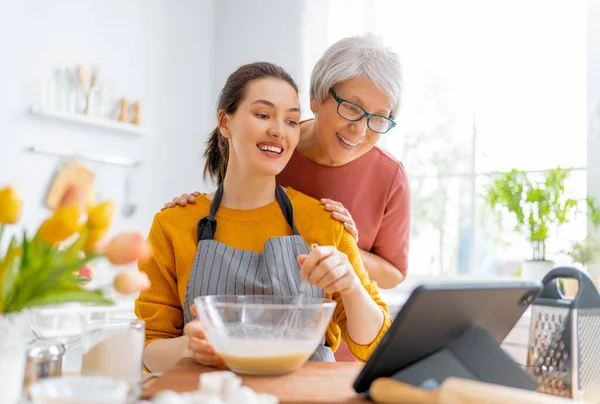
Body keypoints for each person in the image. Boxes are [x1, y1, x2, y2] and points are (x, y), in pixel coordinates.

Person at [135, 62, 392, 373]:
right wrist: (187, 347)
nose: (278, 130)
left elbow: (375, 345)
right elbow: (148, 348)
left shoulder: (326, 223)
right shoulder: (173, 224)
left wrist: (350, 285)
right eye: (262, 115)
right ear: (225, 123)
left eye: (292, 121)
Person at [163, 34, 410, 291]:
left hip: (336, 313)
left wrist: (340, 245)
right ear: (316, 98)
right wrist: (191, 213)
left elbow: (394, 273)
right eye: (351, 108)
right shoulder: (270, 149)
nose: (360, 130)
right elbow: (227, 224)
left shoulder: (390, 175)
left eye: (379, 118)